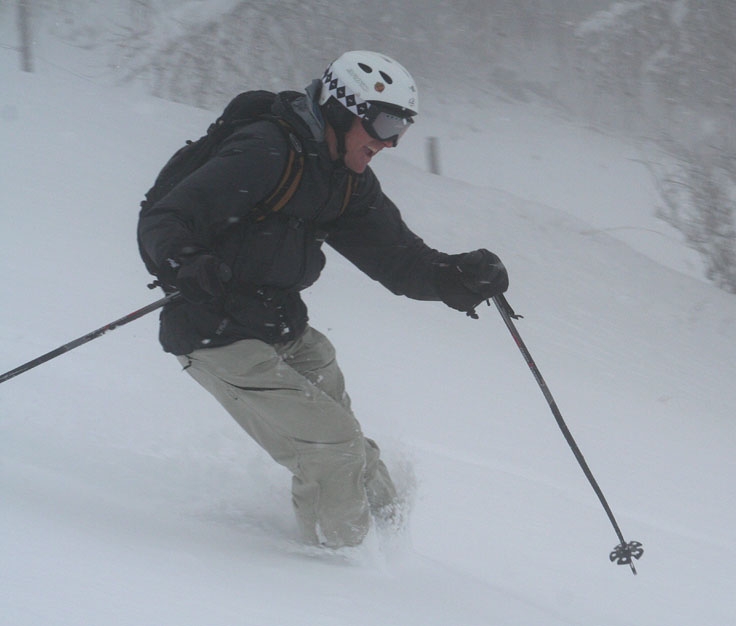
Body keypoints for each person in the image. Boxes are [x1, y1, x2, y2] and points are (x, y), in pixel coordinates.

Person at [137, 51, 508, 548]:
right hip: (215, 328)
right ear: (340, 108)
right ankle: (336, 571)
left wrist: (458, 276)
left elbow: (400, 261)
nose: (390, 140)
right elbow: (165, 218)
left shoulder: (345, 180)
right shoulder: (265, 150)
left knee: (350, 441)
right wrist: (186, 261)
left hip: (280, 323)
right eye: (383, 122)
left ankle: (394, 545)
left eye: (402, 125)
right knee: (330, 447)